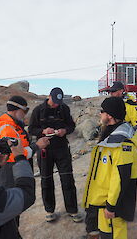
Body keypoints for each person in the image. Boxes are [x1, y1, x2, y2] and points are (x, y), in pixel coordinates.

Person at [82, 97, 137, 239]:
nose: (99, 115)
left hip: (111, 205)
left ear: (109, 115)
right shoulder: (109, 134)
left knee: (113, 234)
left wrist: (111, 206)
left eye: (102, 111)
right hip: (103, 202)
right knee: (106, 233)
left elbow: (120, 178)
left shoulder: (122, 143)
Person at [29, 87, 83, 223]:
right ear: (49, 96)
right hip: (45, 149)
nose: (56, 104)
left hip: (61, 148)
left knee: (67, 179)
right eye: (54, 101)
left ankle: (72, 210)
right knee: (46, 180)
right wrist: (43, 131)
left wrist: (64, 130)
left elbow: (71, 125)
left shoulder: (63, 109)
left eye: (59, 101)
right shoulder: (38, 110)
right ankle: (50, 210)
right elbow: (31, 129)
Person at [0, 95, 49, 188]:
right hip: (9, 176)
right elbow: (15, 154)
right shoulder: (8, 129)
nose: (25, 114)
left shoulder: (14, 127)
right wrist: (37, 146)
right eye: (25, 111)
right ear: (17, 110)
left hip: (14, 171)